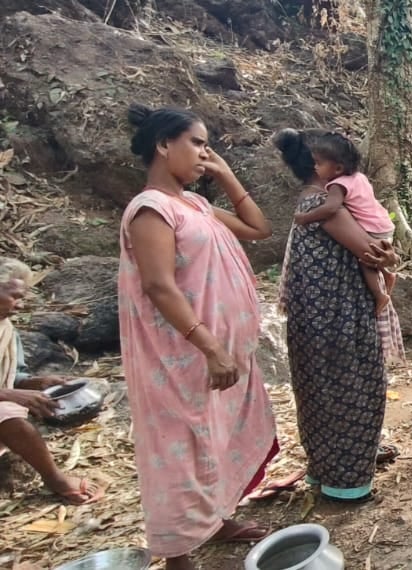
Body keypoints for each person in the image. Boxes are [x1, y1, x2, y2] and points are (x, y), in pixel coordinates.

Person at [118, 104, 277, 569]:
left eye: (207, 145)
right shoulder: (151, 209)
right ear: (163, 145)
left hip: (220, 355)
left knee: (217, 438)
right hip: (181, 357)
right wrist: (208, 346)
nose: (205, 153)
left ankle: (218, 519)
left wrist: (226, 176)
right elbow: (159, 285)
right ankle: (178, 553)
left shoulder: (196, 205)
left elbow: (259, 228)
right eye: (197, 143)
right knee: (180, 448)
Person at [272, 128, 402, 504]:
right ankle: (347, 484)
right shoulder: (323, 205)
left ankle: (325, 470)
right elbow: (370, 252)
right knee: (353, 391)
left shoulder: (313, 202)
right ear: (319, 169)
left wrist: (388, 258)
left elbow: (375, 253)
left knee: (318, 393)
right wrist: (389, 261)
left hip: (314, 317)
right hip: (337, 317)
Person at [0, 258, 105, 505]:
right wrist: (7, 395)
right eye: (13, 296)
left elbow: (14, 376)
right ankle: (55, 479)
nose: (18, 306)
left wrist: (39, 382)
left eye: (22, 298)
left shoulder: (6, 330)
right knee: (8, 415)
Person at [289, 130, 398, 312]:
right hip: (384, 224)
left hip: (373, 229)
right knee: (370, 257)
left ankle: (380, 294)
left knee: (366, 260)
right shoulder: (359, 178)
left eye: (318, 163)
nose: (315, 167)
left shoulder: (337, 186)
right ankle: (387, 275)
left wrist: (305, 217)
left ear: (338, 168)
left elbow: (330, 209)